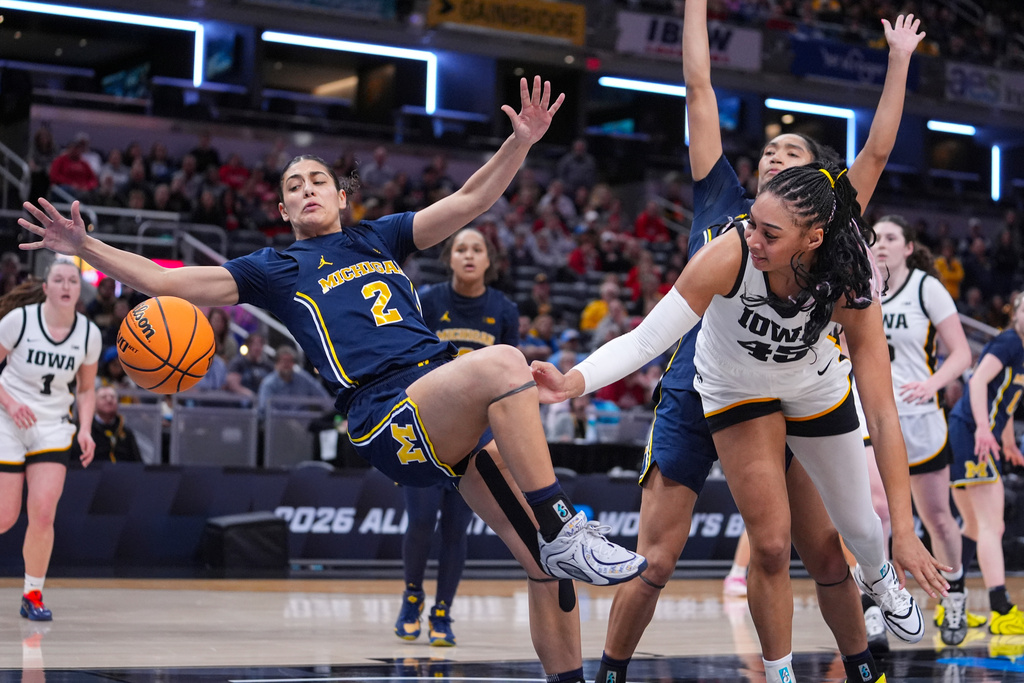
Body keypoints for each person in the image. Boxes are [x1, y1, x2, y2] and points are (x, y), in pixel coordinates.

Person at [18, 77, 645, 683]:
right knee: (506, 363)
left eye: (319, 180)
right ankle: (566, 522)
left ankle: (563, 622)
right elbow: (162, 280)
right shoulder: (275, 267)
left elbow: (471, 201)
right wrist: (84, 247)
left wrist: (522, 141)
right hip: (386, 413)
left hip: (442, 406)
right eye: (294, 185)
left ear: (342, 197)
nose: (308, 189)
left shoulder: (380, 237)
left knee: (543, 564)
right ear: (284, 208)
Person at [536, 8, 934, 683]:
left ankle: (870, 632)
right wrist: (575, 381)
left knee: (826, 543)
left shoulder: (840, 257)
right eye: (768, 157)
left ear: (818, 215)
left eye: (791, 159)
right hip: (713, 385)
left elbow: (874, 154)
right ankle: (616, 670)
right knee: (685, 554)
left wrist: (899, 61)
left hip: (798, 386)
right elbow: (699, 86)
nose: (773, 159)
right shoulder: (726, 220)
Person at [394, 226, 519, 647]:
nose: (468, 255)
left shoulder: (503, 310)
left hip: (477, 435)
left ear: (488, 261)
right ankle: (412, 596)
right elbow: (405, 361)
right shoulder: (427, 301)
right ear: (449, 258)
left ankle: (442, 613)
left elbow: (512, 383)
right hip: (426, 429)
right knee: (423, 519)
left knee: (455, 529)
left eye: (477, 249)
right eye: (460, 248)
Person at [854, 215, 973, 650]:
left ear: (907, 247)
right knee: (878, 509)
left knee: (937, 518)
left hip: (920, 417)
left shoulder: (927, 287)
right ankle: (876, 602)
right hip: (869, 414)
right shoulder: (857, 282)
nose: (881, 244)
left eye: (890, 238)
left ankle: (955, 590)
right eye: (876, 238)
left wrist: (932, 384)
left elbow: (961, 354)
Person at [0, 260, 100, 621]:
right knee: (5, 517)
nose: (66, 285)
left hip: (54, 424)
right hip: (8, 417)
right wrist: (10, 404)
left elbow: (86, 390)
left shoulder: (89, 333)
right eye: (58, 279)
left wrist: (85, 428)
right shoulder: (19, 321)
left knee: (43, 513)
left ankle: (33, 594)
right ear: (46, 287)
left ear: (79, 289)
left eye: (73, 279)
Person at [949, 292, 1024, 635]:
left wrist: (1007, 442)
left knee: (974, 526)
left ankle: (953, 601)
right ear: (1015, 314)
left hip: (974, 433)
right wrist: (982, 428)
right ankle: (1001, 609)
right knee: (992, 525)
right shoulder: (1008, 342)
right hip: (969, 430)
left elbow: (1006, 401)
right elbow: (977, 381)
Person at [257, 345, 330, 413]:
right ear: (277, 363)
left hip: (303, 423)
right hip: (276, 424)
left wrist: (330, 413)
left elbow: (324, 398)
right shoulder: (268, 383)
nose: (287, 364)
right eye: (284, 361)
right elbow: (264, 408)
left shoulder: (303, 379)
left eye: (290, 361)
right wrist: (285, 420)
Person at [86, 385, 142, 463]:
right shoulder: (86, 432)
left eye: (112, 397)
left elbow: (138, 464)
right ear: (94, 403)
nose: (109, 400)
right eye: (103, 397)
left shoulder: (126, 432)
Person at [224, 332, 275, 398]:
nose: (257, 348)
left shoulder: (268, 366)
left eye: (260, 345)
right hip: (241, 401)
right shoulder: (238, 363)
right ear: (248, 346)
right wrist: (251, 395)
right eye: (255, 344)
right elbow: (233, 385)